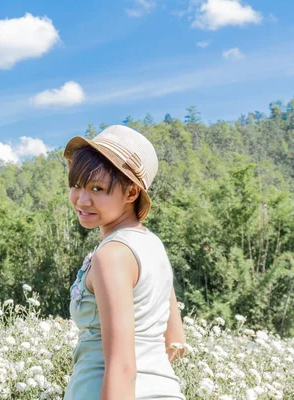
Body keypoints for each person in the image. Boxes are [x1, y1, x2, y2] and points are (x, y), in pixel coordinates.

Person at [62, 125, 187, 400]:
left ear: (131, 193)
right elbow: (176, 344)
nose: (82, 199)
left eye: (97, 188)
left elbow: (121, 366)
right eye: (76, 185)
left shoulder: (112, 255)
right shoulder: (153, 247)